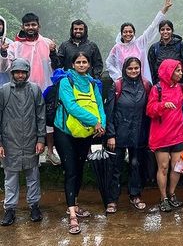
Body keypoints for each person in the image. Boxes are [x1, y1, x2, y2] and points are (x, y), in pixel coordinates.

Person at [54, 52, 106, 234]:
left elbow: (100, 105)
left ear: (89, 65)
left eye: (85, 62)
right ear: (73, 64)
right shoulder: (65, 82)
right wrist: (95, 122)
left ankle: (75, 204)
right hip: (65, 131)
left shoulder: (92, 83)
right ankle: (72, 216)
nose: (82, 64)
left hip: (85, 133)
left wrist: (102, 124)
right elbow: (71, 106)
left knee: (80, 168)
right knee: (71, 171)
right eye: (78, 62)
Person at [0, 12, 60, 165]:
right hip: (24, 89)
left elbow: (56, 66)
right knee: (28, 121)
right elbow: (5, 67)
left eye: (33, 24)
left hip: (46, 88)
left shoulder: (47, 43)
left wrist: (54, 52)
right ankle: (32, 154)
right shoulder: (16, 45)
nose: (30, 27)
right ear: (23, 27)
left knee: (48, 121)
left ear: (38, 26)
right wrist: (3, 52)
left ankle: (50, 152)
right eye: (27, 25)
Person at [0, 58, 46, 226]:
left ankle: (34, 205)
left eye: (23, 72)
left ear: (27, 73)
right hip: (9, 141)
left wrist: (41, 139)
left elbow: (41, 116)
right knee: (10, 177)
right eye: (16, 72)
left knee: (33, 175)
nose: (20, 75)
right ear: (12, 73)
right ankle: (10, 209)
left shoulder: (34, 90)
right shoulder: (4, 91)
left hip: (30, 140)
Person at [105, 57, 151, 213]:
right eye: (130, 68)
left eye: (136, 68)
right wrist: (111, 134)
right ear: (125, 69)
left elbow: (148, 112)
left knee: (136, 164)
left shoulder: (146, 86)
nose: (133, 71)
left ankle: (135, 195)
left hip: (139, 132)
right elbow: (109, 112)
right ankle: (112, 199)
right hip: (119, 132)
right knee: (115, 167)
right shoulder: (117, 86)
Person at [146, 59, 183, 212]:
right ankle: (163, 198)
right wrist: (163, 105)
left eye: (180, 70)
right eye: (177, 71)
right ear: (168, 71)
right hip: (161, 135)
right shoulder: (157, 89)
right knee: (163, 167)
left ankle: (172, 193)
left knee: (177, 167)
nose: (180, 73)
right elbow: (149, 110)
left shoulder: (181, 88)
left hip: (177, 133)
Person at [106, 0, 173, 83]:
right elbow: (109, 63)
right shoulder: (117, 48)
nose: (128, 34)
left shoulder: (139, 43)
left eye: (130, 31)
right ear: (121, 34)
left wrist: (164, 9)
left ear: (134, 33)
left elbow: (152, 26)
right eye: (125, 32)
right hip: (124, 84)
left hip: (141, 82)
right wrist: (118, 77)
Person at [148, 20, 183, 88]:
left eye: (168, 29)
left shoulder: (180, 45)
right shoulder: (154, 48)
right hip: (161, 87)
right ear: (159, 31)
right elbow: (151, 69)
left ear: (172, 31)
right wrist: (156, 86)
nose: (165, 32)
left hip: (178, 85)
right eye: (162, 29)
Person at [0, 15, 12, 86]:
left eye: (0, 24)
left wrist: (3, 52)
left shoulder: (10, 43)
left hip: (5, 85)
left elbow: (8, 67)